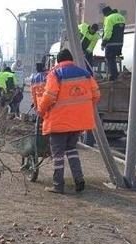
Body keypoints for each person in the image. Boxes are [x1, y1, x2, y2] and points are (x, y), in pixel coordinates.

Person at [38, 49, 100, 194]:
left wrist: (41, 110)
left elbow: (49, 96)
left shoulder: (56, 74)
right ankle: (79, 180)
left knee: (58, 155)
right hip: (77, 123)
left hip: (59, 122)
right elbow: (96, 94)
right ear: (71, 59)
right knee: (71, 150)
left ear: (58, 61)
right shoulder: (85, 74)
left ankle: (58, 185)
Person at [101, 6, 126, 81]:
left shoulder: (109, 18)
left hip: (111, 43)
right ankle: (115, 75)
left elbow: (108, 32)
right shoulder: (121, 17)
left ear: (106, 13)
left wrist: (103, 43)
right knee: (113, 59)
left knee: (109, 58)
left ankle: (114, 76)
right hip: (120, 43)